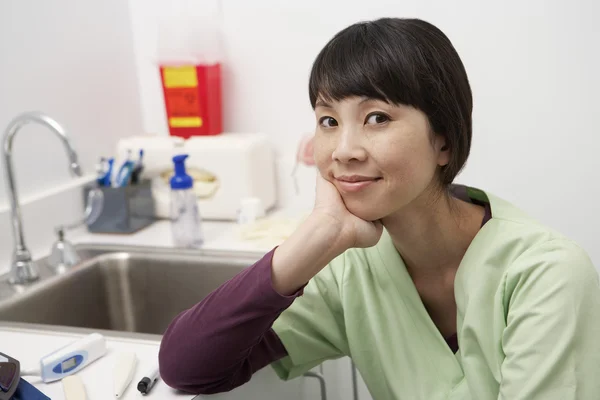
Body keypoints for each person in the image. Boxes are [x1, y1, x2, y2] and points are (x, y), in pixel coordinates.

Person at [158, 17, 600, 399]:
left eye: (377, 118)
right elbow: (188, 367)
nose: (344, 150)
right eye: (328, 121)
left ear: (443, 140)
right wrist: (315, 236)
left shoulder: (545, 275)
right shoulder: (350, 270)